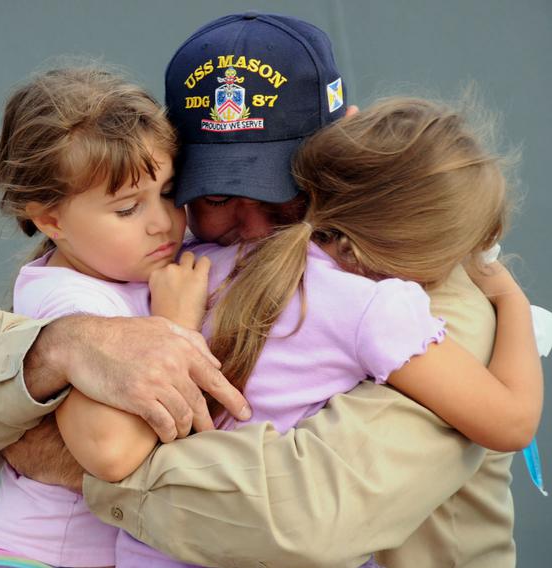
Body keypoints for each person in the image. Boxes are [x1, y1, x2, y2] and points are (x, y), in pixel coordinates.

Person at [0, 13, 522, 567]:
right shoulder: (171, 260)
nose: (248, 225)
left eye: (280, 190)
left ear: (343, 143)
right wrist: (63, 348)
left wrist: (65, 454)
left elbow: (304, 518)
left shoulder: (427, 299)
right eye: (213, 195)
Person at [54, 96, 541, 568]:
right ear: (433, 251)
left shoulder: (189, 264)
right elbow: (512, 423)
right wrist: (511, 299)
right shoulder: (381, 309)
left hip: (144, 551)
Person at [0, 66, 248, 568]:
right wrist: (175, 327)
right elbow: (111, 454)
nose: (161, 221)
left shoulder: (142, 262)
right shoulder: (70, 298)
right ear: (50, 220)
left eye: (166, 192)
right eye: (126, 210)